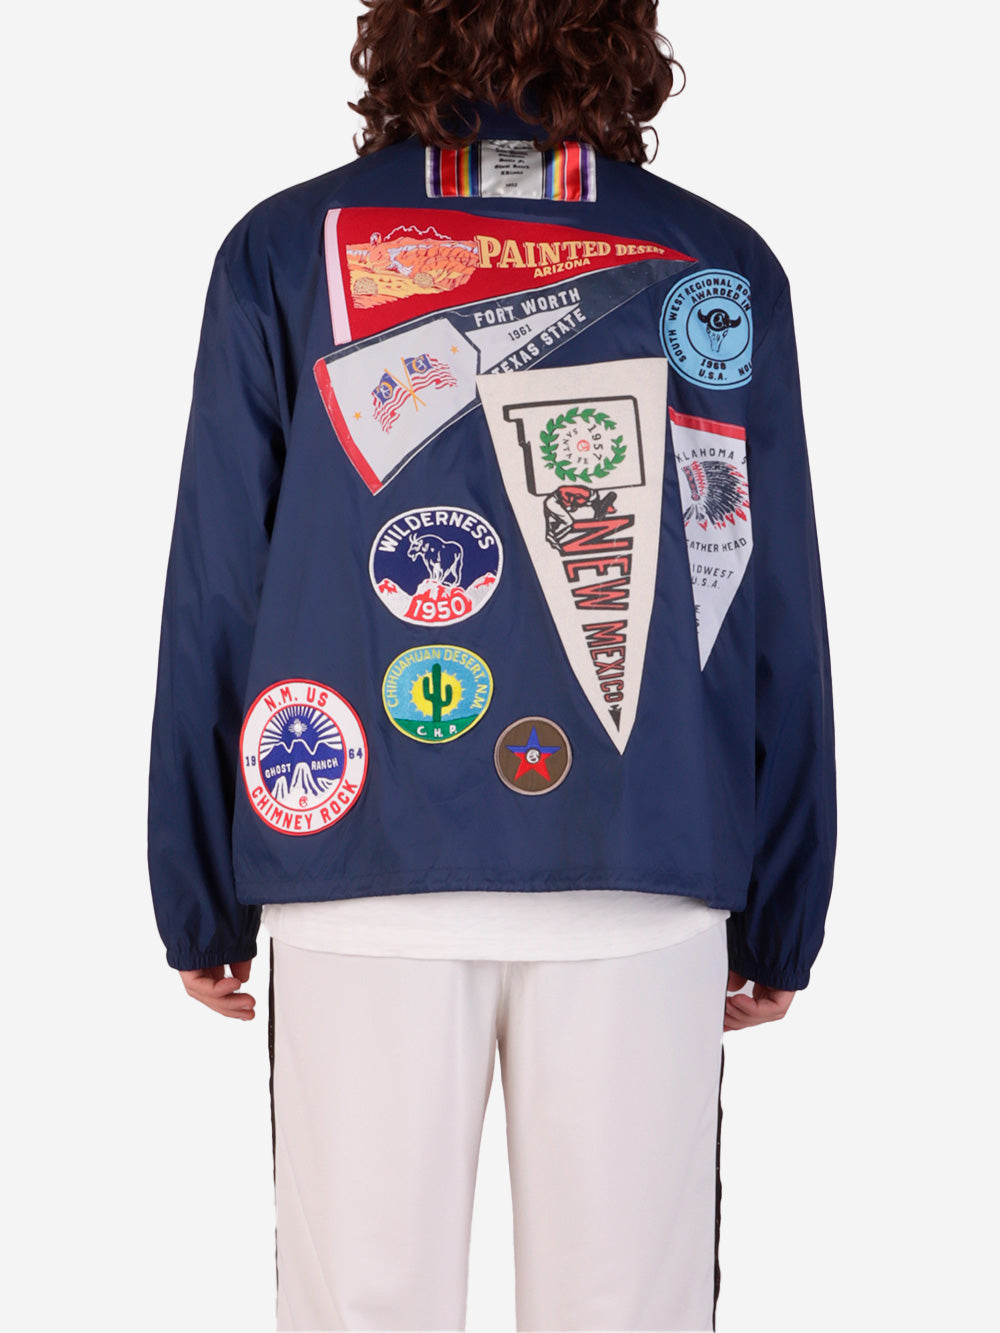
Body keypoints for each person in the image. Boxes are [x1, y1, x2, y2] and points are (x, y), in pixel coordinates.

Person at [146, 1, 837, 1328]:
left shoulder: (285, 250)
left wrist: (199, 892)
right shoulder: (718, 264)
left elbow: (218, 586)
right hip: (646, 862)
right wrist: (784, 902)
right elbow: (768, 596)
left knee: (361, 1310)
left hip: (356, 864)